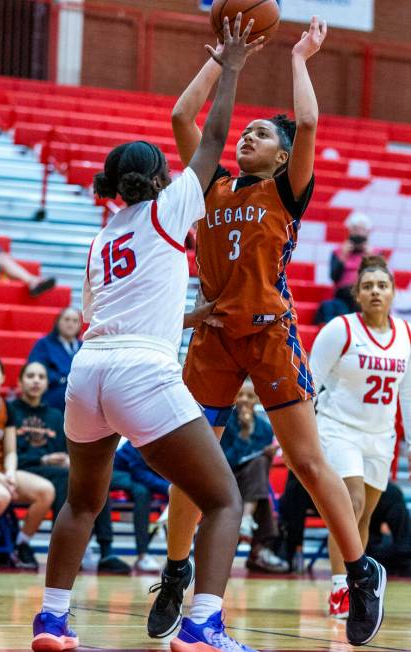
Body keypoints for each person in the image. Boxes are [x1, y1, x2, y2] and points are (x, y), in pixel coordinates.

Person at [148, 16, 387, 648]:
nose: (247, 136)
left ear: (282, 157)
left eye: (259, 134)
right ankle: (177, 572)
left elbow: (306, 124)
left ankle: (361, 571)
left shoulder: (287, 190)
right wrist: (226, 62)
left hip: (271, 334)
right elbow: (181, 116)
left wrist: (301, 58)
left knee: (308, 461)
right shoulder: (213, 184)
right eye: (244, 131)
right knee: (191, 473)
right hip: (214, 338)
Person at [31, 16, 266, 652]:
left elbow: (107, 310)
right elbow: (213, 134)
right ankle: (202, 626)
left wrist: (189, 317)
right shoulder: (171, 208)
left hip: (88, 373)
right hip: (141, 372)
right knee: (221, 501)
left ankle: (52, 618)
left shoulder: (101, 238)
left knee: (81, 503)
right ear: (161, 177)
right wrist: (233, 63)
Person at [310, 255, 411, 618]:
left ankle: (352, 585)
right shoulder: (340, 329)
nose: (375, 292)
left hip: (380, 436)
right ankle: (341, 589)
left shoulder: (405, 334)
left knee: (364, 515)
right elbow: (310, 381)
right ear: (356, 293)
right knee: (349, 503)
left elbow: (408, 394)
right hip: (338, 429)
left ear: (393, 292)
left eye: (382, 286)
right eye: (367, 286)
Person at [10, 361, 131, 576]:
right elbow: (11, 454)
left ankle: (105, 550)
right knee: (66, 479)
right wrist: (44, 459)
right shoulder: (12, 411)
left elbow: (67, 451)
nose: (36, 380)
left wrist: (66, 459)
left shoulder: (56, 416)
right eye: (30, 376)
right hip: (24, 469)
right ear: (20, 382)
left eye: (41, 377)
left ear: (47, 383)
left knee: (94, 479)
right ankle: (67, 547)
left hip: (55, 471)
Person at [220, 382, 288, 573]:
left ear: (257, 400)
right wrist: (244, 433)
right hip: (227, 478)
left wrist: (268, 453)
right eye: (240, 395)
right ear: (234, 398)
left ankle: (247, 520)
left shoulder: (266, 428)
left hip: (251, 483)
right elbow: (225, 459)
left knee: (260, 463)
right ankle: (258, 549)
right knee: (261, 495)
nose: (244, 400)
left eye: (249, 396)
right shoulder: (224, 423)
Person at [0, 358, 54, 570]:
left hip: (3, 472)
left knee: (46, 490)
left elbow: (11, 451)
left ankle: (21, 543)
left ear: (2, 377)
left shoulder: (5, 407)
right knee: (1, 496)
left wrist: (10, 473)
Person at [113, 440, 170, 572]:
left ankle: (177, 558)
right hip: (117, 472)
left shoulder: (170, 438)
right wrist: (169, 488)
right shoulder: (140, 436)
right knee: (142, 492)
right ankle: (142, 555)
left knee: (175, 493)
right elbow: (140, 473)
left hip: (137, 474)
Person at [314, 211, 375, 324]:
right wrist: (343, 256)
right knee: (329, 307)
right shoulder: (338, 252)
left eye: (362, 229)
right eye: (355, 229)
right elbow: (333, 277)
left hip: (365, 297)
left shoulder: (375, 254)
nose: (358, 233)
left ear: (367, 232)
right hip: (343, 297)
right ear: (350, 230)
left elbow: (380, 279)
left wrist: (371, 258)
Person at [28, 307, 82, 412]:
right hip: (53, 396)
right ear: (58, 322)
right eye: (67, 319)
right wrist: (62, 379)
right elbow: (35, 368)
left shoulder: (84, 347)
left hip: (79, 400)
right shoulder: (44, 344)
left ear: (79, 325)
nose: (70, 324)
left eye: (75, 321)